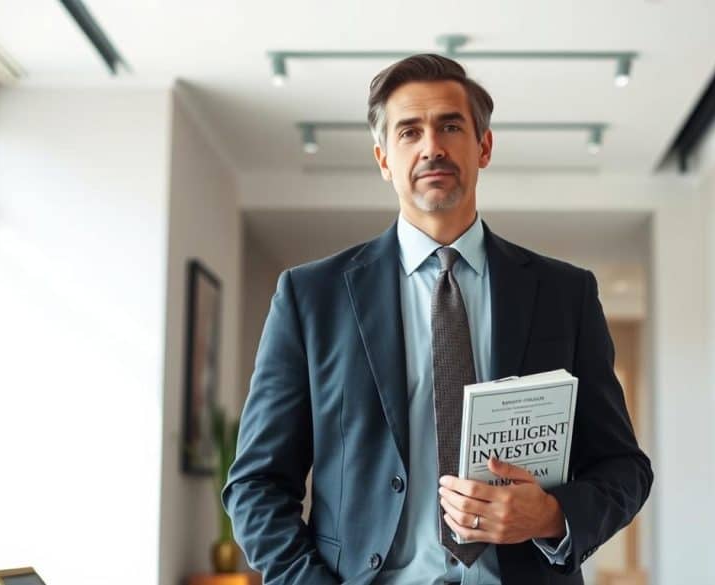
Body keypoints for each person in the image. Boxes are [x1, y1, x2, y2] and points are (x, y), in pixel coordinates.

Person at [222, 53, 653, 585]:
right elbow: (257, 483)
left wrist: (553, 516)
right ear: (383, 159)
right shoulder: (311, 297)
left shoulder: (566, 293)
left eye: (450, 125)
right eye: (409, 131)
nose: (432, 146)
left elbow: (624, 468)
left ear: (484, 146)